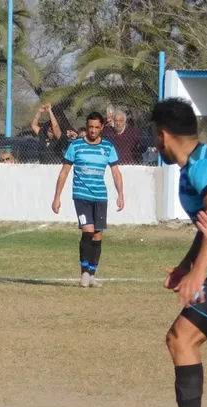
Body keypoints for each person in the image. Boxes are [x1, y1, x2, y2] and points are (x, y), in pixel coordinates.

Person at [143, 98, 207, 407]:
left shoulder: (203, 168)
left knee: (181, 338)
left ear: (163, 135)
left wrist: (199, 272)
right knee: (182, 338)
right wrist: (188, 265)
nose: (155, 145)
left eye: (155, 137)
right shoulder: (196, 166)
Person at [51, 112, 124, 288]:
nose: (92, 130)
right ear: (86, 125)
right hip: (81, 196)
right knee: (88, 231)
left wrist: (120, 194)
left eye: (96, 127)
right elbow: (65, 171)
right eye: (90, 127)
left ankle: (91, 274)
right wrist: (57, 196)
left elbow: (116, 172)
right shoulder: (76, 146)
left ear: (102, 128)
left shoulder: (108, 147)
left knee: (98, 235)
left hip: (100, 197)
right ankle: (84, 272)